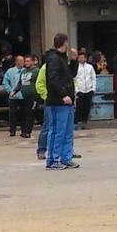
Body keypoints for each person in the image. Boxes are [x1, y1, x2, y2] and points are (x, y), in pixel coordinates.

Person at [43, 34, 77, 169]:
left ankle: (66, 158)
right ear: (65, 43)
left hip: (68, 101)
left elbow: (70, 75)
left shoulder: (62, 59)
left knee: (68, 131)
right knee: (57, 130)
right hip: (57, 101)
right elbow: (52, 80)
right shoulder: (54, 59)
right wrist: (63, 95)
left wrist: (74, 61)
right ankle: (53, 160)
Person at [2, 54, 25, 136]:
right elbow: (5, 82)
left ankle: (24, 130)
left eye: (22, 60)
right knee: (12, 114)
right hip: (13, 96)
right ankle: (12, 130)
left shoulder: (26, 71)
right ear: (16, 62)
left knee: (23, 113)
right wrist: (10, 91)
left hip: (23, 96)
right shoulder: (10, 71)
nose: (21, 62)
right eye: (19, 60)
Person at [74, 49, 96, 128]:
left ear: (85, 58)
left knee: (87, 107)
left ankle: (84, 122)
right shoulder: (76, 67)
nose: (81, 59)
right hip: (80, 90)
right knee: (79, 107)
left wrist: (93, 88)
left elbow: (93, 78)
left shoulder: (90, 67)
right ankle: (76, 123)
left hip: (89, 90)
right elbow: (75, 79)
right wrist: (76, 90)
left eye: (83, 57)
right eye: (80, 58)